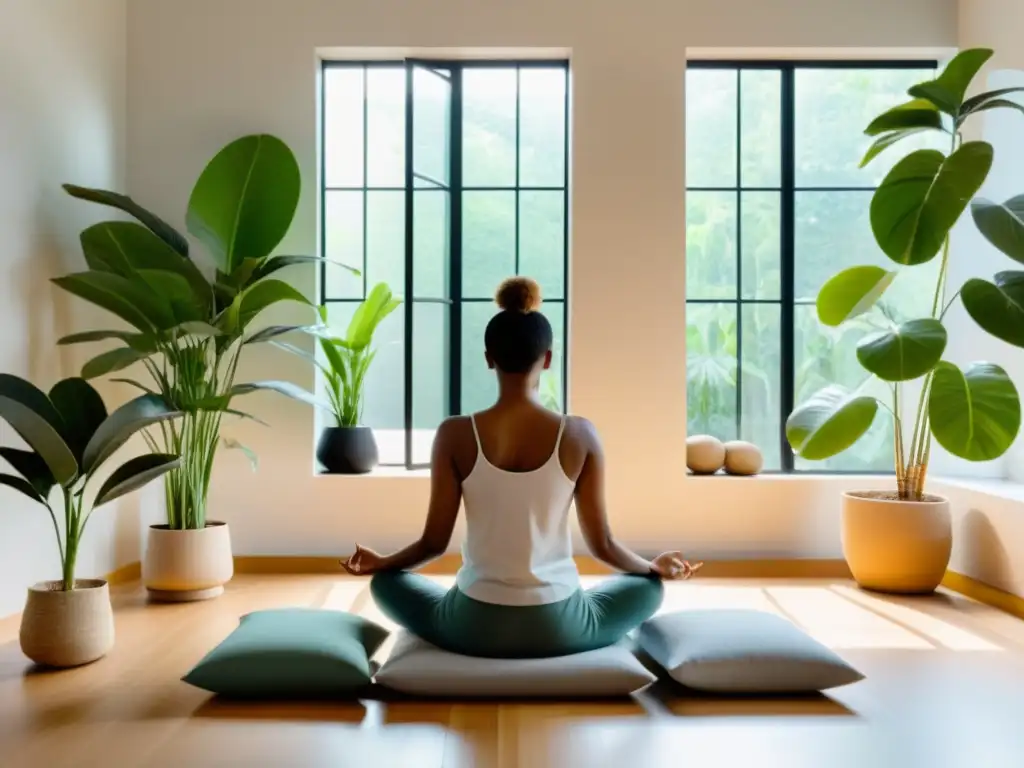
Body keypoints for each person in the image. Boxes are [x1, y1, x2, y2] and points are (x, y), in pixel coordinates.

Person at [341, 276, 701, 659]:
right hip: (560, 625)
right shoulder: (579, 434)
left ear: (488, 358)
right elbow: (604, 546)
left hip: (472, 625)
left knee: (385, 584)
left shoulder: (454, 434)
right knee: (648, 588)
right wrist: (652, 567)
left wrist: (382, 563)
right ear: (547, 359)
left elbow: (433, 544)